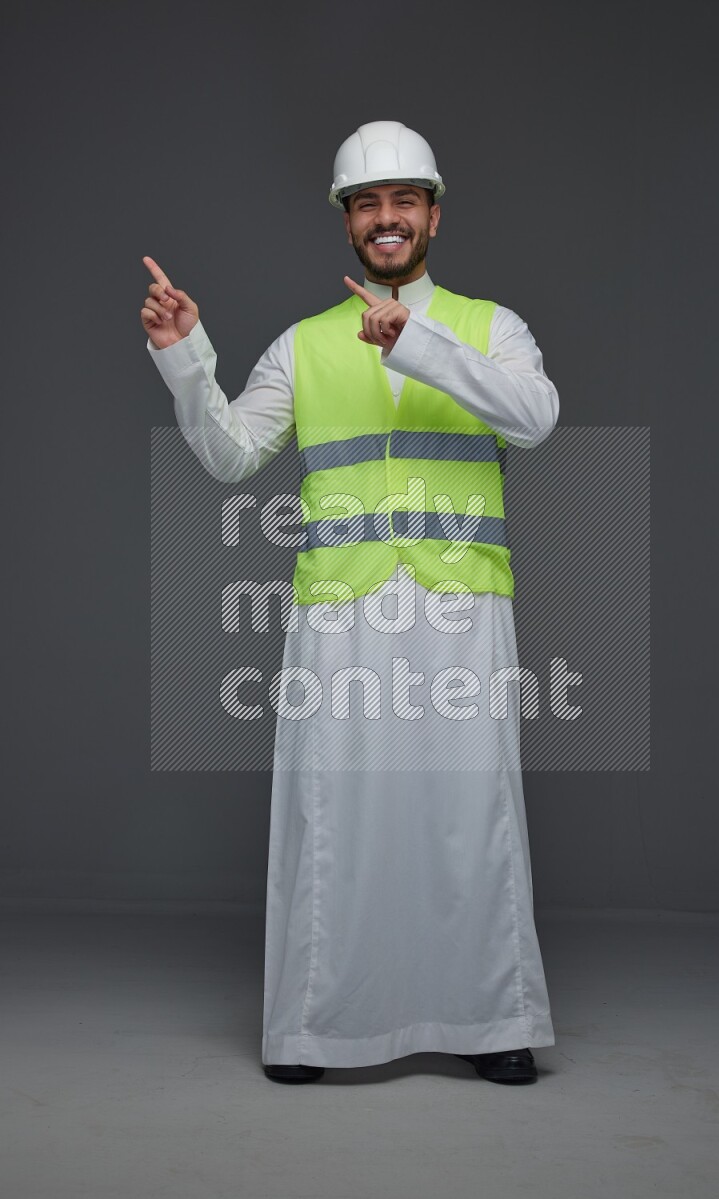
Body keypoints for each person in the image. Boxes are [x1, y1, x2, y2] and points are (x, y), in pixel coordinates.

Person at [141, 120, 559, 1086]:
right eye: (367, 204)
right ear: (347, 222)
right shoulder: (303, 345)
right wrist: (184, 357)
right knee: (332, 813)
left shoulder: (494, 327)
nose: (386, 219)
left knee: (472, 807)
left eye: (403, 202)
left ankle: (494, 1019)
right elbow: (232, 455)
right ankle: (314, 1027)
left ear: (433, 216)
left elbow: (533, 419)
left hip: (461, 607)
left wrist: (417, 342)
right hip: (340, 611)